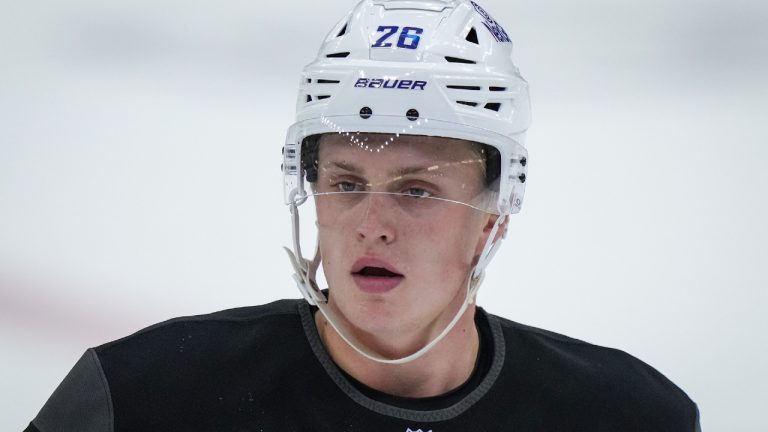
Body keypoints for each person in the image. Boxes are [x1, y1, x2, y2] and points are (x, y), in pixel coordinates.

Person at [26, 1, 701, 430]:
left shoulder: (629, 415)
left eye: (417, 190)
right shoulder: (140, 399)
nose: (371, 222)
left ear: (496, 216)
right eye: (345, 183)